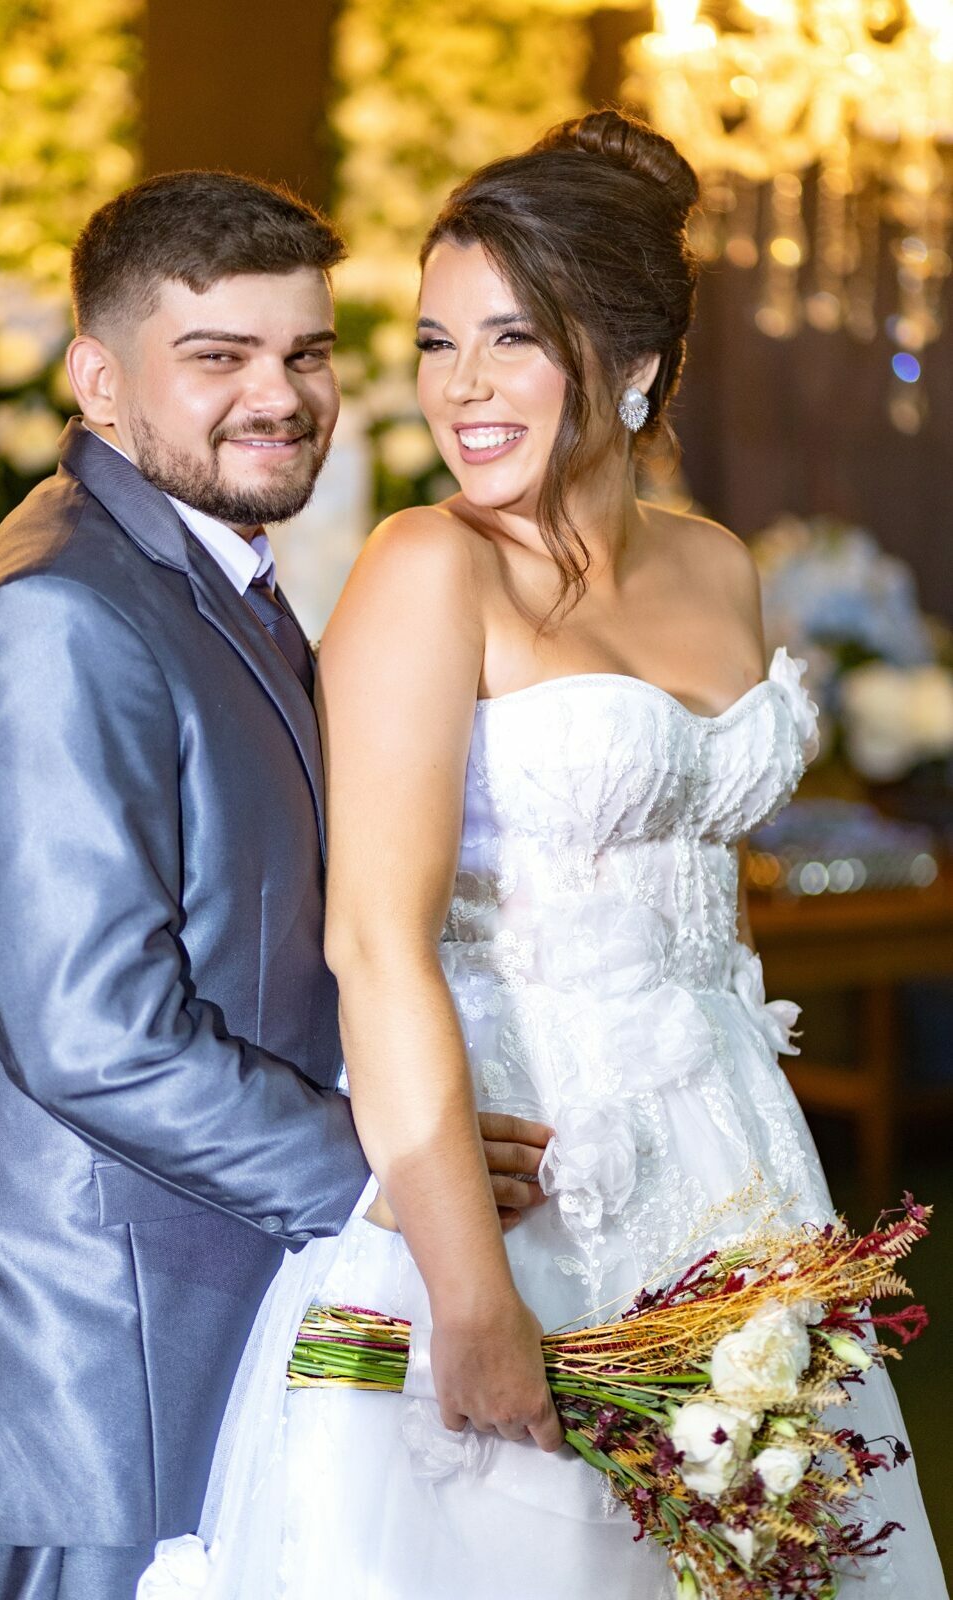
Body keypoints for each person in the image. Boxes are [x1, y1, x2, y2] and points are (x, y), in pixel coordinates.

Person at [140, 111, 948, 1599]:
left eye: (512, 339)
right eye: (437, 342)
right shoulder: (427, 566)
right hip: (513, 1178)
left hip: (731, 1164)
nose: (461, 387)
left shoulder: (717, 564)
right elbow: (373, 941)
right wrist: (470, 1297)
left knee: (768, 1542)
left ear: (634, 362)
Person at [0, 170, 550, 1600]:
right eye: (218, 357)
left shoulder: (204, 571)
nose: (280, 395)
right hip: (81, 1360)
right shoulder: (59, 613)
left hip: (214, 1306)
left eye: (306, 353)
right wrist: (398, 1168)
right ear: (98, 381)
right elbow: (95, 1037)